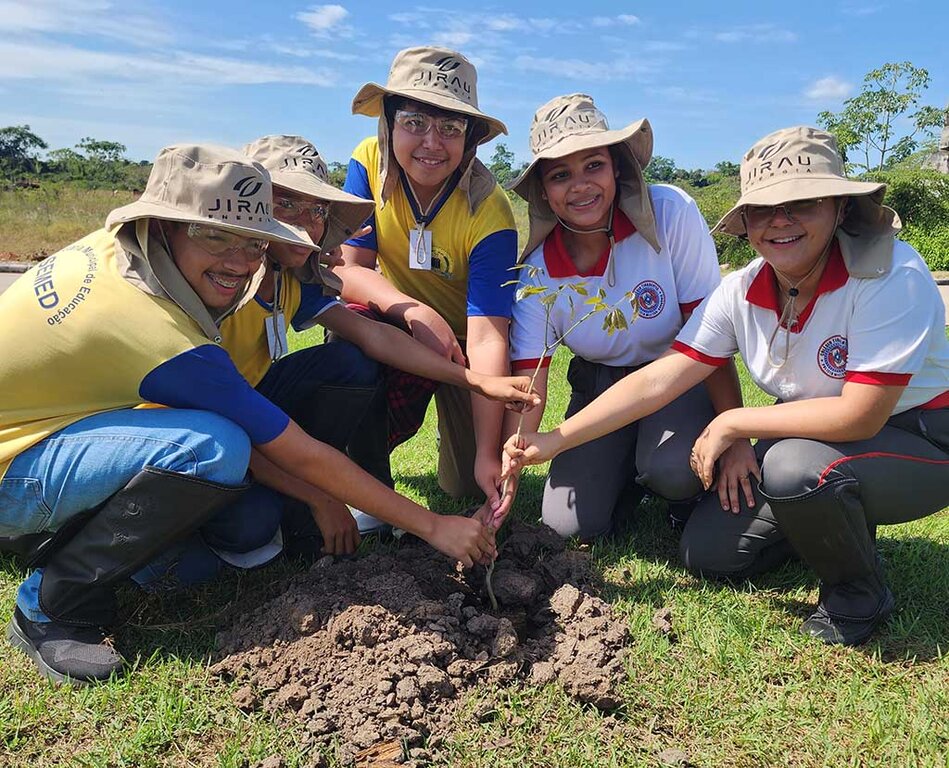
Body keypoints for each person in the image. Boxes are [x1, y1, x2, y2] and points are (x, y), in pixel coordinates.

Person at [0, 144, 497, 686]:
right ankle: (51, 603)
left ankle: (71, 535)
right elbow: (291, 447)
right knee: (215, 448)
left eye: (255, 242)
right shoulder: (154, 327)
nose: (240, 261)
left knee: (209, 547)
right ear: (165, 228)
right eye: (214, 235)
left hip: (59, 436)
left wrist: (470, 378)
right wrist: (431, 524)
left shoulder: (131, 253)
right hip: (16, 466)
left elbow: (361, 342)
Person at [504, 126, 949, 646]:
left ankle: (857, 595)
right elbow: (664, 376)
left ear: (840, 209)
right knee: (709, 552)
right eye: (762, 209)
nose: (779, 221)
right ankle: (825, 522)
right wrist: (553, 441)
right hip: (820, 436)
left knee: (791, 469)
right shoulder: (743, 288)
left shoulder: (889, 274)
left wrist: (734, 422)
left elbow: (862, 416)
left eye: (802, 203)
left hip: (923, 436)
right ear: (747, 223)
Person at [166, 135, 539, 574]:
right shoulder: (218, 283)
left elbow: (373, 337)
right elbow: (231, 423)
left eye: (318, 211)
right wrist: (322, 496)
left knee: (351, 362)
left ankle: (312, 497)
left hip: (244, 415)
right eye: (286, 204)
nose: (305, 224)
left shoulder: (295, 280)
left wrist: (475, 380)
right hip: (194, 430)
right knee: (251, 525)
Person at [494, 93, 748, 540]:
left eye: (594, 165)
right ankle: (626, 479)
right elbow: (530, 380)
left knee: (672, 469)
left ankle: (680, 492)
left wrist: (737, 435)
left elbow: (713, 341)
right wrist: (511, 465)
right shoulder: (537, 270)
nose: (580, 186)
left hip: (680, 379)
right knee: (566, 525)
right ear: (544, 192)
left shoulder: (670, 213)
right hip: (599, 386)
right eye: (559, 175)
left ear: (617, 167)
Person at [335, 46, 518, 521]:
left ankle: (457, 440)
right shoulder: (366, 164)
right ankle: (367, 480)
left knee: (462, 482)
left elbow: (488, 333)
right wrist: (411, 310)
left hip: (464, 344)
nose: (432, 143)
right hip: (396, 323)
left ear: (470, 139)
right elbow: (345, 269)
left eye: (451, 128)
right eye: (415, 122)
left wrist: (485, 455)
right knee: (347, 329)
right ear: (389, 122)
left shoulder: (489, 211)